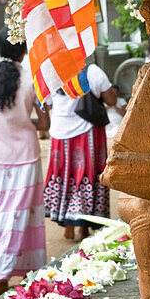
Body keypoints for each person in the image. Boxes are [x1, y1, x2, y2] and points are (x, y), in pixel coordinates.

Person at [0, 31, 49, 297]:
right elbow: (45, 124)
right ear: (24, 51)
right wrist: (27, 123)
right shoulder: (34, 79)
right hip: (26, 153)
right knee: (21, 214)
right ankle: (15, 269)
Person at [43, 63, 117, 239]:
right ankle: (84, 225)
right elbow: (111, 100)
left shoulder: (51, 71)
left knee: (66, 176)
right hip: (86, 131)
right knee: (86, 175)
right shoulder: (92, 72)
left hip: (60, 132)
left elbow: (47, 102)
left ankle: (67, 223)